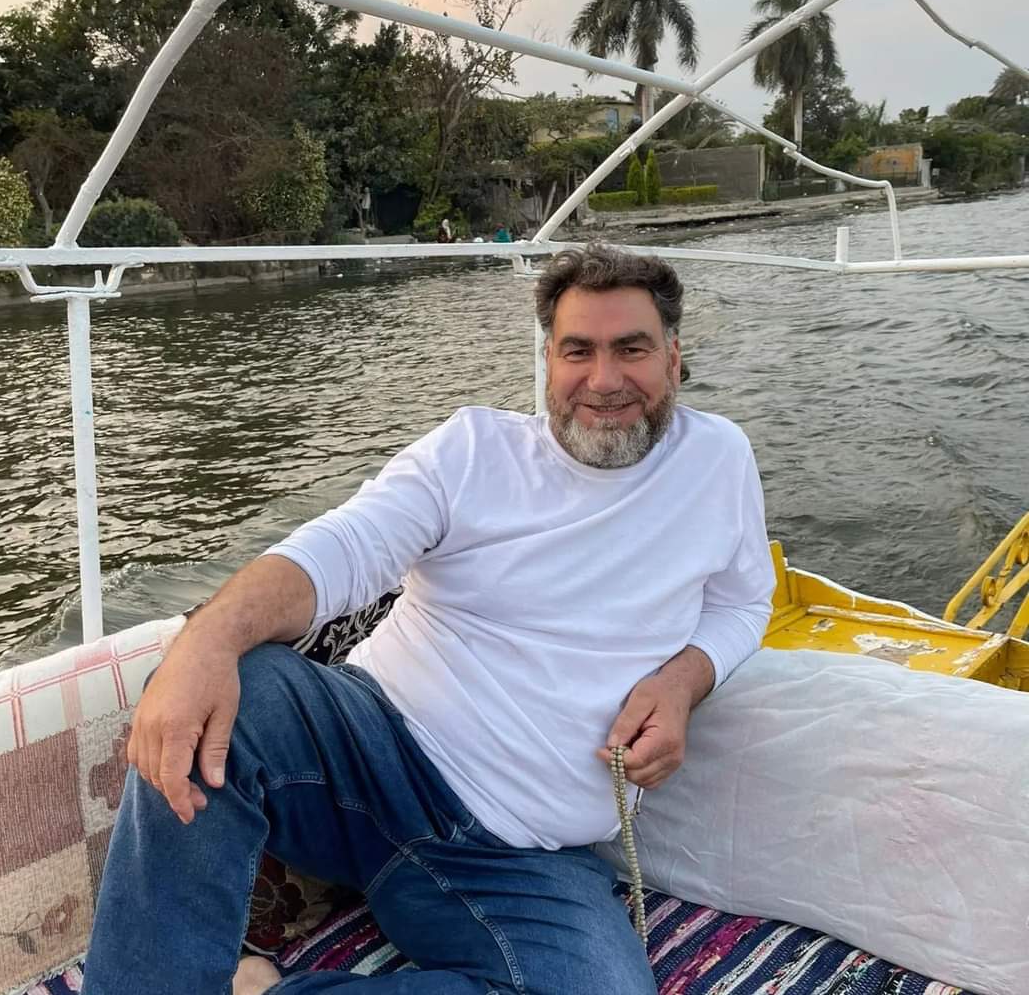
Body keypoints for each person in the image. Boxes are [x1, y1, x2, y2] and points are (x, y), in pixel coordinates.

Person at [83, 244, 775, 995]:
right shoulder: (473, 452)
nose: (604, 380)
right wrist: (207, 640)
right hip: (368, 754)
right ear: (548, 360)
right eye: (579, 351)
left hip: (521, 861)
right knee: (223, 687)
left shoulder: (718, 460)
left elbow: (741, 603)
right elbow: (345, 548)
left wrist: (682, 683)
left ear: (673, 358)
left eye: (631, 349)